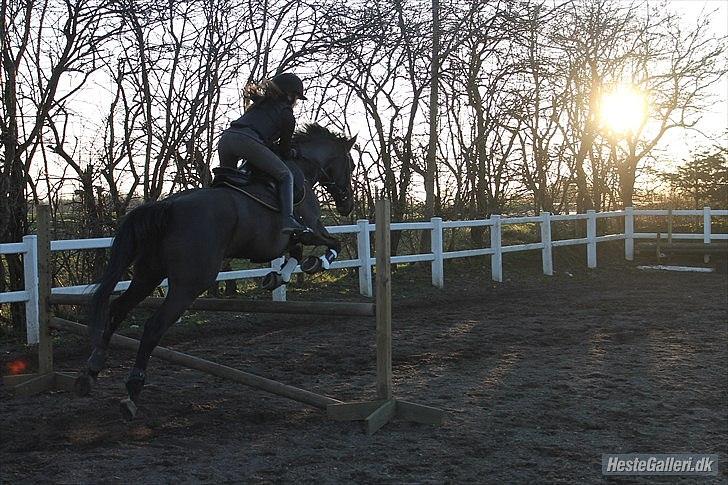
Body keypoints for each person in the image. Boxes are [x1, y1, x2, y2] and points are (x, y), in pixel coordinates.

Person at [218, 72, 310, 234]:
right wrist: (294, 153)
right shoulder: (287, 115)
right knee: (285, 175)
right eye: (296, 97)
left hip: (226, 139)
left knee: (228, 183)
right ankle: (287, 219)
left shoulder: (261, 103)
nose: (296, 102)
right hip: (247, 142)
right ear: (290, 95)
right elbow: (284, 151)